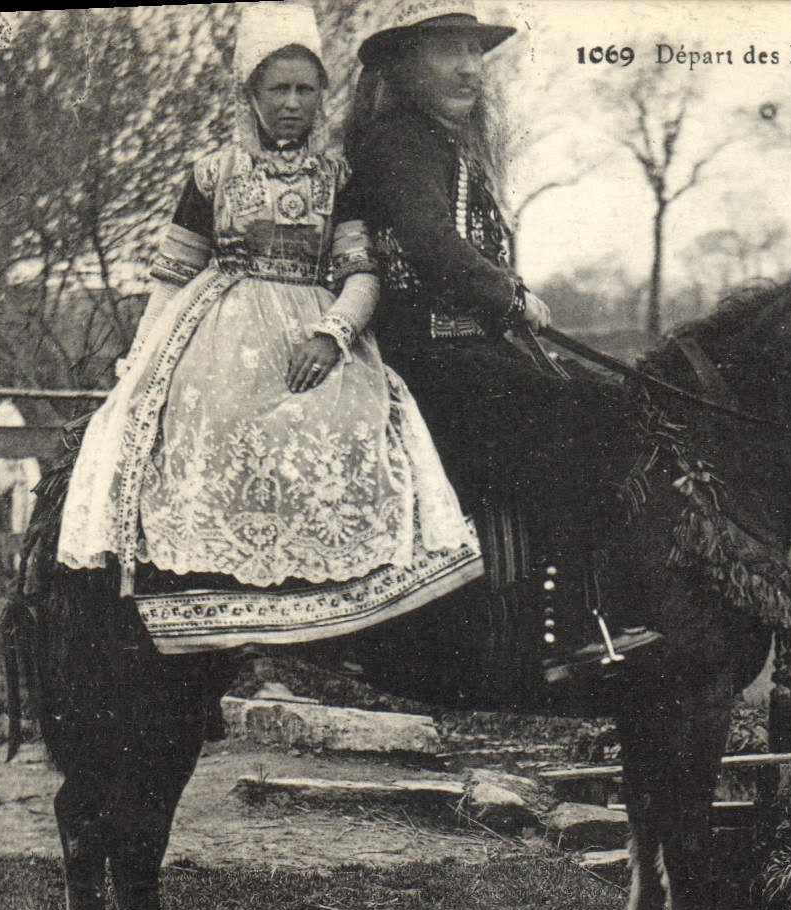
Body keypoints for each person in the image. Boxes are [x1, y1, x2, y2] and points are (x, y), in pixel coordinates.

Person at [58, 2, 481, 654]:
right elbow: (173, 275)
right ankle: (202, 581)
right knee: (208, 420)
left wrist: (332, 334)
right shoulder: (211, 174)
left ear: (322, 96)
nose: (292, 104)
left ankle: (334, 599)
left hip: (315, 323)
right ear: (250, 93)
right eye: (277, 88)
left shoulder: (339, 178)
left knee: (348, 425)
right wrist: (139, 365)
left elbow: (360, 274)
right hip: (216, 327)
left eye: (305, 90)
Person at [343, 1, 658, 682]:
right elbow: (430, 244)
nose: (468, 68)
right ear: (401, 64)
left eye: (475, 51)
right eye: (447, 51)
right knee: (581, 418)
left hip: (470, 350)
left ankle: (601, 607)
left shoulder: (444, 142)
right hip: (427, 354)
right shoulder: (400, 140)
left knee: (610, 399)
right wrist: (510, 296)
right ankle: (565, 627)